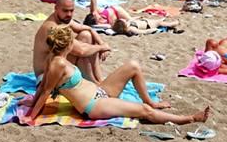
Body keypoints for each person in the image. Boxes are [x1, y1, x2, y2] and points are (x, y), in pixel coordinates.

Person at [28, 26, 210, 125]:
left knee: (133, 66)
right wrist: (31, 116)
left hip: (100, 92)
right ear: (68, 45)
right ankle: (190, 119)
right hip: (94, 106)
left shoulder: (56, 58)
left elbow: (43, 85)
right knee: (143, 112)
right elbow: (45, 90)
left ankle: (151, 102)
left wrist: (31, 105)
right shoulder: (58, 63)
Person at [33, 0, 109, 83]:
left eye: (71, 11)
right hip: (46, 75)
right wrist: (102, 47)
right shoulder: (52, 28)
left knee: (86, 35)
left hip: (58, 65)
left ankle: (99, 80)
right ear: (56, 8)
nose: (69, 14)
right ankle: (94, 82)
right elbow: (81, 51)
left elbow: (87, 28)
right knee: (83, 54)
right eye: (65, 11)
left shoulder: (63, 18)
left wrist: (101, 43)